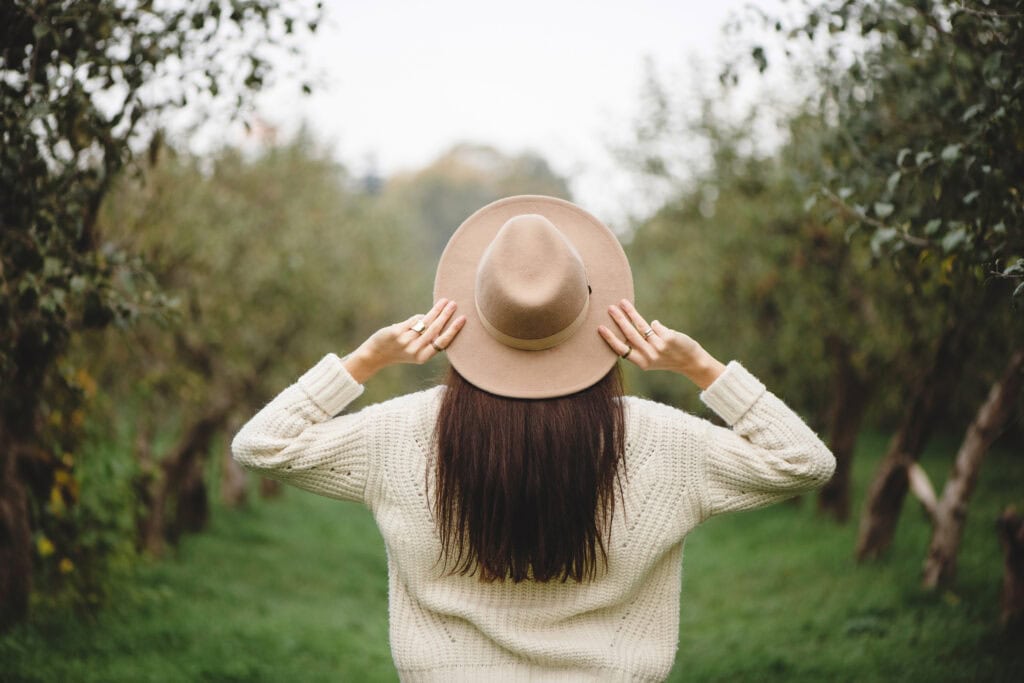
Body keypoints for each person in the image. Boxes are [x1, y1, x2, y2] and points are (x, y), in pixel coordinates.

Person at [231, 195, 836, 682]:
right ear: (598, 316)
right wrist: (703, 367)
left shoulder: (404, 432)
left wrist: (364, 360)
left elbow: (262, 445)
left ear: (469, 314)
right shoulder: (658, 440)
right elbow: (804, 462)